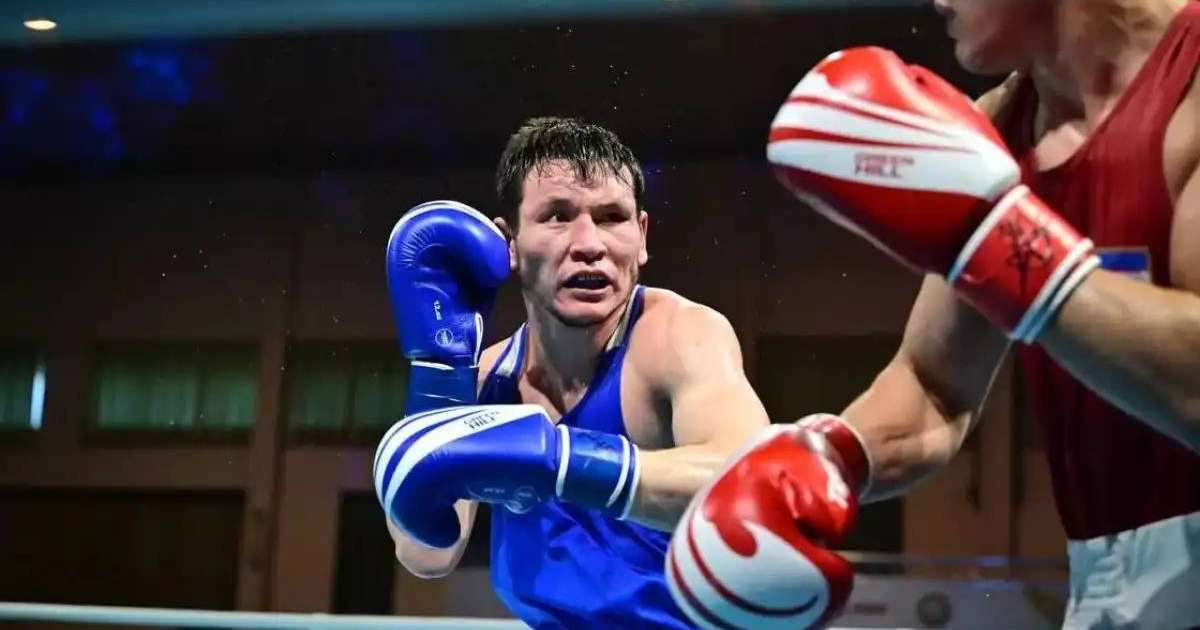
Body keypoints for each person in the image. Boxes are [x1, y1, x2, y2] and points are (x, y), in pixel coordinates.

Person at [667, 1, 1200, 629]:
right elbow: (933, 384)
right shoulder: (999, 129)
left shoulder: (1190, 84)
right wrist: (830, 455)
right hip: (1104, 586)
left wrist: (1001, 243)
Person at [373, 117, 772, 629]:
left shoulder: (680, 338)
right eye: (558, 216)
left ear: (642, 236)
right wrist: (440, 370)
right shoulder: (487, 378)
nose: (589, 243)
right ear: (508, 243)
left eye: (611, 217)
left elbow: (755, 492)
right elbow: (426, 553)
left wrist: (561, 461)